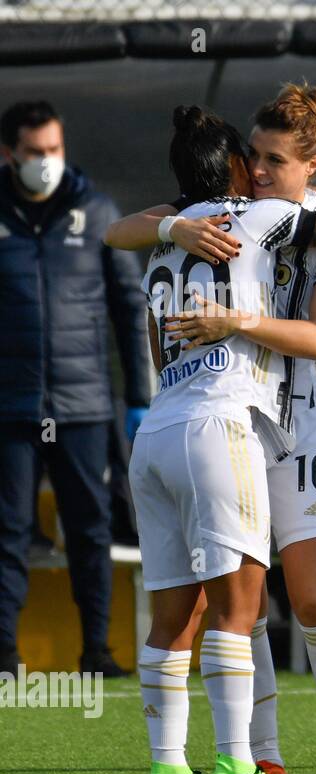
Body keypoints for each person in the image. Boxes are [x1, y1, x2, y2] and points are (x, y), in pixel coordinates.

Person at [108, 84, 316, 774]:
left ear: (312, 163)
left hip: (301, 417)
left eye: (273, 160)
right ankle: (259, 758)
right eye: (251, 157)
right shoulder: (227, 215)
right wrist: (176, 229)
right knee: (244, 602)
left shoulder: (314, 227)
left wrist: (236, 320)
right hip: (232, 421)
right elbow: (126, 228)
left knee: (312, 597)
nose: (258, 171)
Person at [0, 100, 153, 679]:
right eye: (36, 152)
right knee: (7, 532)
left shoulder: (96, 210)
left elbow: (130, 307)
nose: (47, 162)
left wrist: (140, 395)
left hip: (85, 405)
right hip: (9, 406)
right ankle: (4, 659)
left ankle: (98, 653)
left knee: (90, 530)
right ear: (8, 152)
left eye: (55, 150)